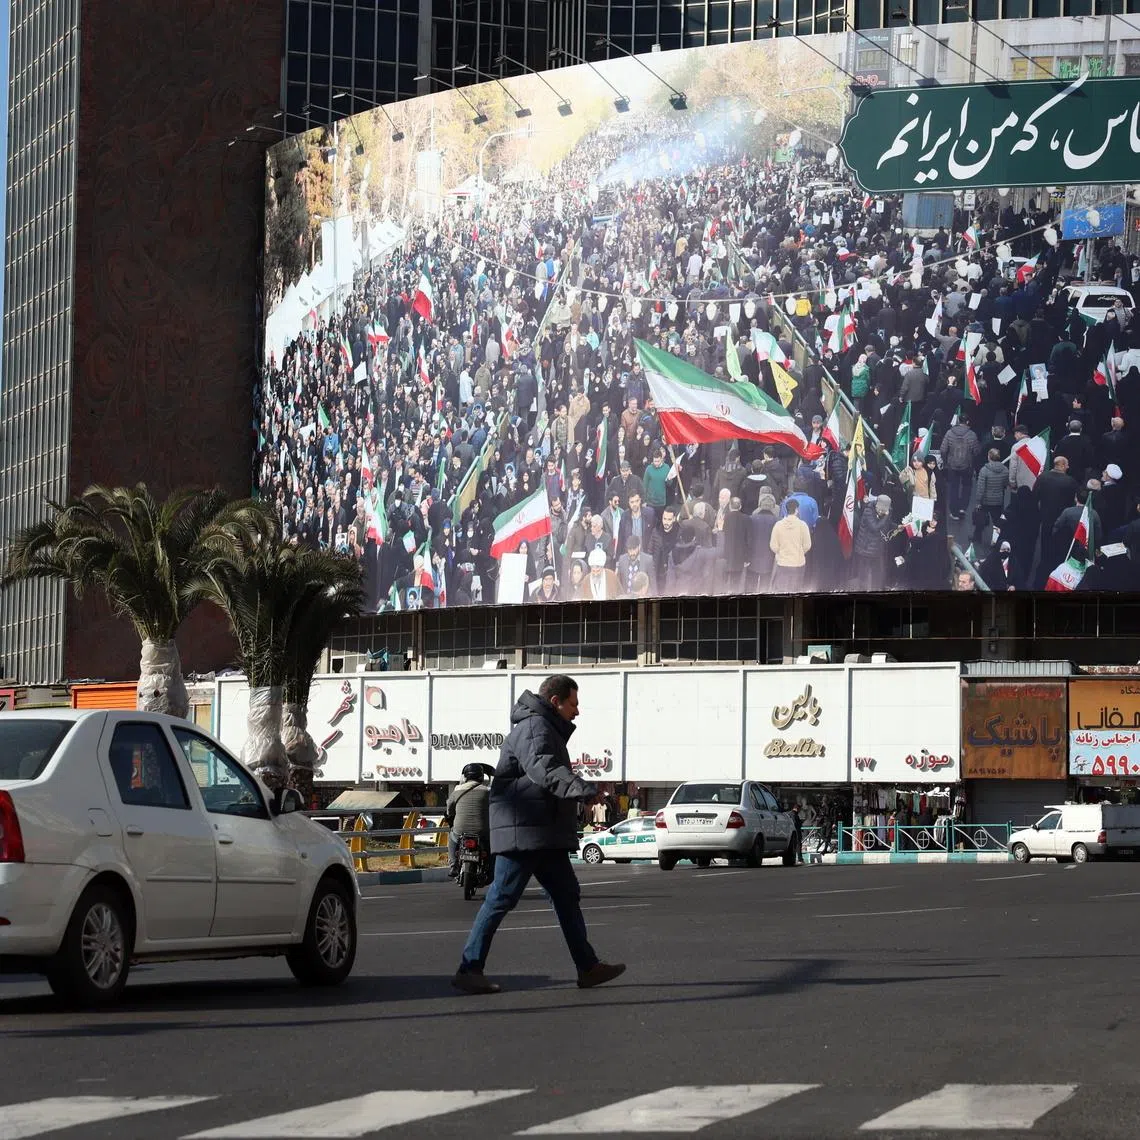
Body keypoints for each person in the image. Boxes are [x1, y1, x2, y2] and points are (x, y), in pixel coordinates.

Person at [452, 675, 626, 994]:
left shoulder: (545, 728)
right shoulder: (534, 726)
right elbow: (543, 769)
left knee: (566, 896)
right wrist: (584, 790)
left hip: (543, 833)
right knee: (501, 898)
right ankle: (469, 968)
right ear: (555, 701)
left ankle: (588, 967)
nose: (577, 711)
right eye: (573, 703)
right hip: (525, 831)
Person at [445, 763, 491, 879]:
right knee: (489, 844)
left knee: (452, 837)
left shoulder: (457, 790)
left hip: (460, 829)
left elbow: (449, 808)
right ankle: (490, 867)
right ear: (481, 777)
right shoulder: (487, 791)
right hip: (482, 830)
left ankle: (453, 864)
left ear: (465, 777)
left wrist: (451, 815)